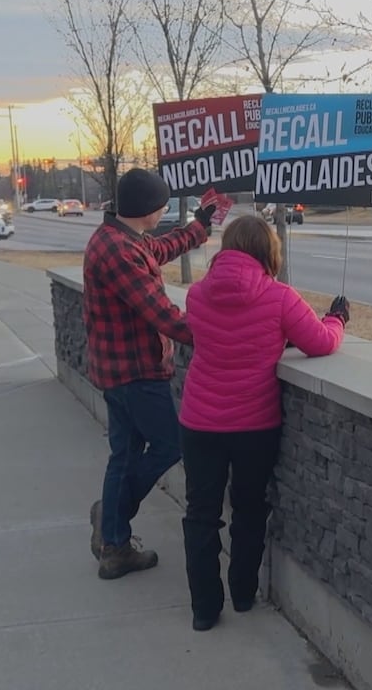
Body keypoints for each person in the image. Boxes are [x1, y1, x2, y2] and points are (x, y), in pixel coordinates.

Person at [178, 214, 350, 631]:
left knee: (200, 514)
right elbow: (321, 342)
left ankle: (204, 609)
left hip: (199, 422)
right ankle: (242, 594)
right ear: (268, 251)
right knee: (249, 508)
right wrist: (337, 318)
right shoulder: (279, 297)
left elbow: (224, 335)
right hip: (254, 425)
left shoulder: (197, 295)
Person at [84, 168, 215, 580]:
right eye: (161, 206)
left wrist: (199, 228)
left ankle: (115, 546)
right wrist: (221, 334)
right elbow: (162, 314)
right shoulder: (120, 253)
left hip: (117, 370)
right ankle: (111, 523)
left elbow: (157, 249)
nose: (163, 213)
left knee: (123, 456)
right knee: (170, 444)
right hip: (136, 372)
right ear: (148, 209)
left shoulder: (120, 238)